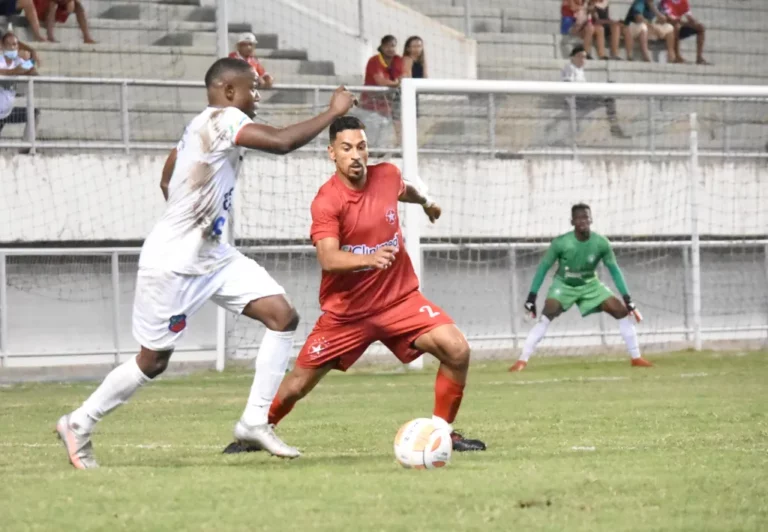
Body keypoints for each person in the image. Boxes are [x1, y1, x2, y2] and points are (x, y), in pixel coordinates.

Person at [54, 58, 357, 469]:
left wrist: (196, 223)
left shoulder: (198, 127)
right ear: (229, 91)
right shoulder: (224, 119)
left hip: (213, 256)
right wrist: (334, 112)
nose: (257, 95)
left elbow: (167, 179)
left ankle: (254, 421)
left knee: (282, 316)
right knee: (152, 361)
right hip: (175, 262)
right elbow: (282, 142)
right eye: (252, 88)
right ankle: (78, 422)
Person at [224, 116, 486, 455]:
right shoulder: (327, 201)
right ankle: (254, 433)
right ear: (332, 153)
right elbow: (328, 258)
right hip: (347, 314)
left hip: (399, 301)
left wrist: (427, 203)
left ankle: (441, 433)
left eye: (361, 147)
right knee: (297, 385)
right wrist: (369, 258)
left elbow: (406, 189)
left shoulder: (387, 175)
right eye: (347, 148)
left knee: (457, 349)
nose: (356, 155)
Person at [509, 204, 653, 372]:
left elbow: (614, 270)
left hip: (590, 284)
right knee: (547, 314)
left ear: (591, 219)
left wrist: (628, 300)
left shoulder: (601, 243)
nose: (583, 221)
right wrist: (531, 297)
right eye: (578, 218)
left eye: (585, 217)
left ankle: (636, 357)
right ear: (572, 222)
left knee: (620, 310)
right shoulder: (561, 243)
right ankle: (522, 360)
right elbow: (543, 268)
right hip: (564, 285)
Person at [561, 45, 629, 138]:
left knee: (609, 96)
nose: (582, 59)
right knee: (609, 96)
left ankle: (614, 125)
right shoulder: (570, 67)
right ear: (572, 57)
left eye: (584, 57)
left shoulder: (579, 70)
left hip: (583, 98)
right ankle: (614, 126)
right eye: (579, 56)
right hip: (577, 100)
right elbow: (568, 85)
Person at [0, 31, 40, 150]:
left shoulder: (18, 61)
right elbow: (11, 72)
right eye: (10, 45)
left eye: (15, 44)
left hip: (7, 113)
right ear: (2, 46)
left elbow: (34, 73)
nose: (13, 48)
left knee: (34, 113)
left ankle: (26, 148)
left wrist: (30, 61)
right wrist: (28, 63)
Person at [361, 35, 403, 143]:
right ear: (382, 47)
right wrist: (396, 83)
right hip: (370, 104)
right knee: (371, 135)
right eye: (387, 46)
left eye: (393, 46)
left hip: (388, 104)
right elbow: (381, 82)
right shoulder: (374, 61)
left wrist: (395, 83)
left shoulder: (397, 60)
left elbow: (402, 79)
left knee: (386, 135)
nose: (390, 49)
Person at [659, 0, 708, 64]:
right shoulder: (665, 1)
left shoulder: (683, 1)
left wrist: (694, 22)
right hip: (668, 26)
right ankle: (677, 56)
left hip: (679, 24)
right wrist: (684, 23)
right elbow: (669, 18)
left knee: (700, 27)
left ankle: (699, 58)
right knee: (676, 26)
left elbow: (689, 17)